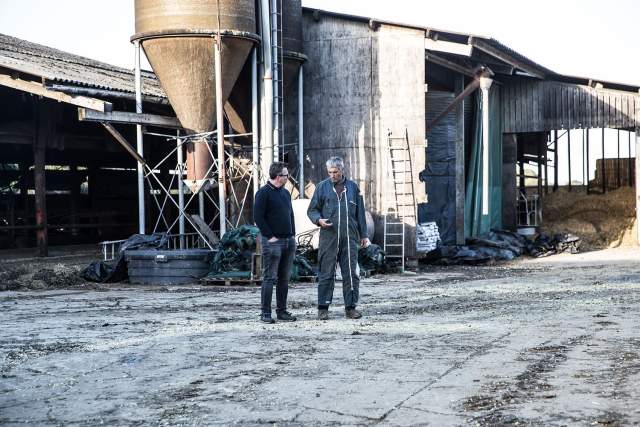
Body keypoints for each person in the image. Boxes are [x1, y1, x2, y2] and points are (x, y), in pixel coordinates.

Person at [307, 156, 370, 320]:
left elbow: (360, 214)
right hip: (329, 238)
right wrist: (318, 220)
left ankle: (350, 308)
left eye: (335, 172)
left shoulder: (353, 188)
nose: (332, 175)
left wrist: (364, 235)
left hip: (349, 239)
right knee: (326, 273)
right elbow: (312, 210)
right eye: (330, 172)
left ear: (342, 170)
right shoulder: (321, 188)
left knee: (351, 274)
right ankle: (323, 308)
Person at [253, 162, 297, 323]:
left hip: (288, 240)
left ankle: (282, 311)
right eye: (286, 175)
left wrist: (293, 235)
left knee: (284, 278)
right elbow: (258, 217)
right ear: (278, 177)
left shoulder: (285, 193)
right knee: (269, 277)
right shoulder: (263, 193)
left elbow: (290, 215)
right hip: (272, 242)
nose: (288, 177)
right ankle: (265, 313)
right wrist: (270, 236)